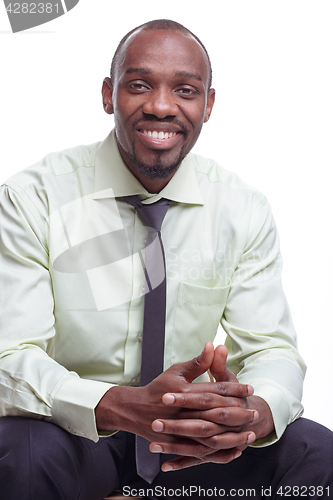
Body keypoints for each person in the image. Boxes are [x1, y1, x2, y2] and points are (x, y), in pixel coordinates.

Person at [0, 18, 332, 500]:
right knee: (22, 455)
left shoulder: (241, 207)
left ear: (208, 105)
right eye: (138, 86)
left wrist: (247, 413)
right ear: (108, 95)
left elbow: (271, 350)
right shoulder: (34, 198)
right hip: (82, 433)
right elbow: (11, 354)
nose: (160, 106)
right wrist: (116, 404)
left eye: (185, 90)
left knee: (316, 454)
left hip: (191, 443)